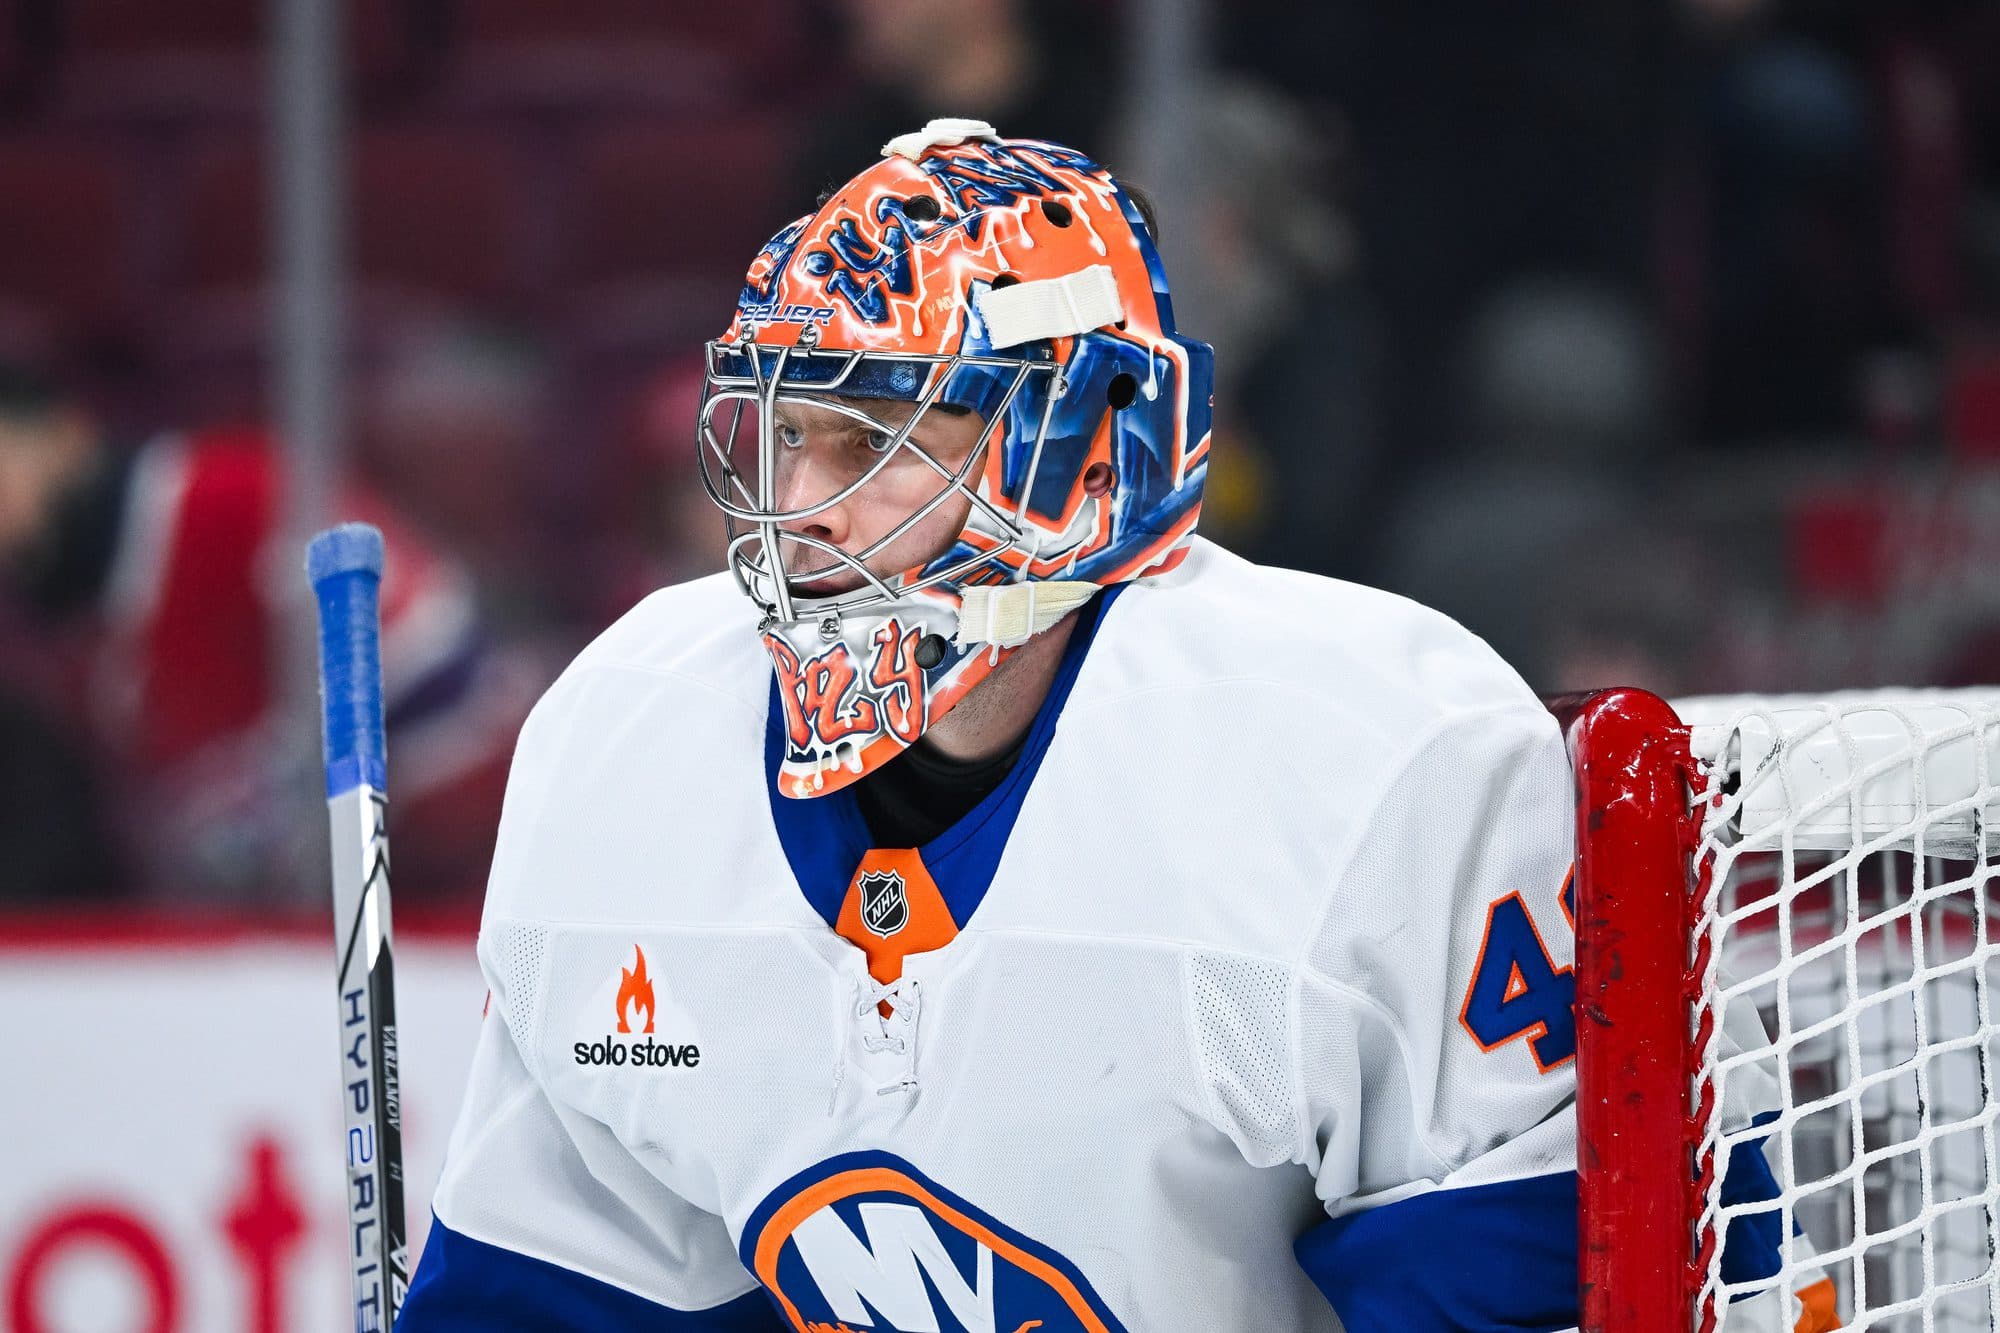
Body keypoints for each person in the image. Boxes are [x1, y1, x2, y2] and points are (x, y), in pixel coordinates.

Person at [401, 122, 1821, 1331]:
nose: (801, 509)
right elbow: (556, 1289)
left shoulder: (1371, 757)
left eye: (873, 439)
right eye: (782, 434)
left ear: (1082, 449)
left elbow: (1577, 1282)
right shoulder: (626, 736)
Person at [0, 357, 523, 901]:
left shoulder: (231, 499)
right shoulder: (70, 648)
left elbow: (454, 693)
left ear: (66, 436)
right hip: (288, 956)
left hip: (447, 928)